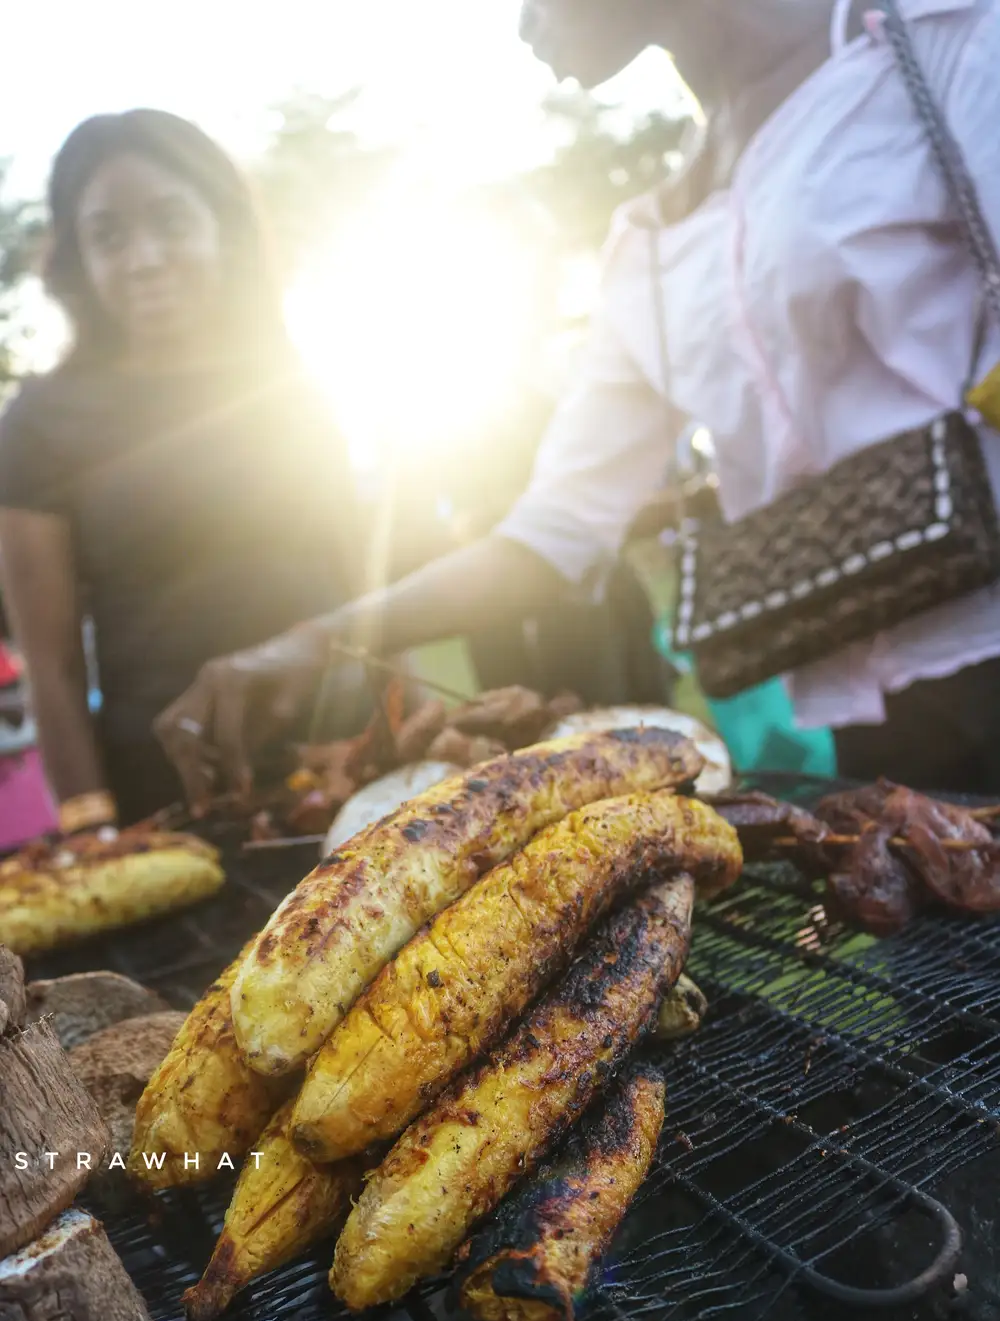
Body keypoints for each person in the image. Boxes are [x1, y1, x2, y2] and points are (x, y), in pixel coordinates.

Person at [157, 0, 1000, 801]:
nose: (525, 24)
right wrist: (317, 640)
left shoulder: (947, 47)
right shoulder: (647, 249)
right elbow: (552, 534)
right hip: (879, 717)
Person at [0, 109, 370, 829]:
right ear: (78, 257)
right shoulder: (37, 424)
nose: (144, 257)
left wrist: (423, 733)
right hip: (176, 796)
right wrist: (93, 829)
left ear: (221, 228)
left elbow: (366, 577)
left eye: (171, 221)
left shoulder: (291, 381)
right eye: (107, 235)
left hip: (347, 760)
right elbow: (52, 668)